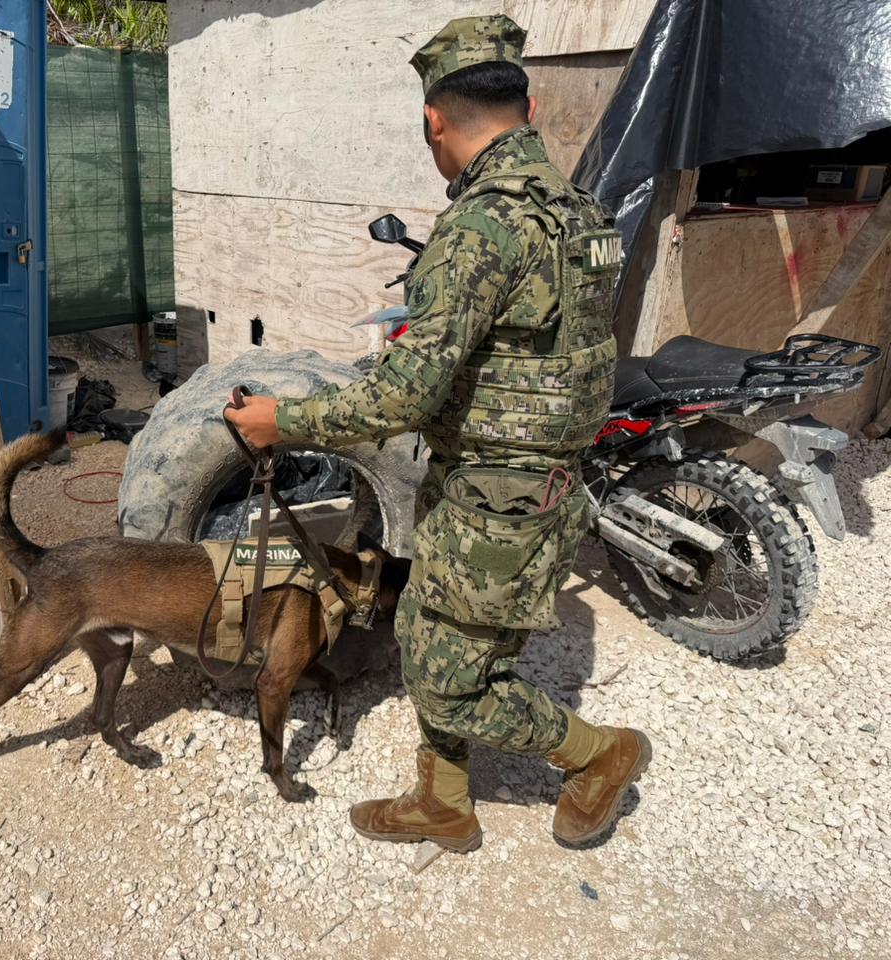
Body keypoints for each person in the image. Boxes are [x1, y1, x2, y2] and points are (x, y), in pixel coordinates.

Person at [224, 14, 650, 851]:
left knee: (453, 685)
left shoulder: (482, 226)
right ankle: (445, 802)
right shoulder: (578, 209)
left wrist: (286, 422)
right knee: (424, 631)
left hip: (502, 502)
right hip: (525, 487)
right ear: (526, 103)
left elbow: (404, 399)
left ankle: (601, 754)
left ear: (434, 121)